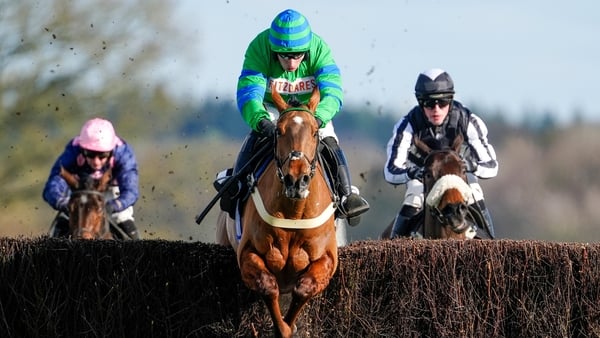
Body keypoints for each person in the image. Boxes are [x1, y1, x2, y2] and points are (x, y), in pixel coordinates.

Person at [218, 8, 369, 225]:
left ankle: (346, 194)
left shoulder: (319, 48)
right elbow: (249, 93)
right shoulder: (259, 47)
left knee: (328, 139)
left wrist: (318, 118)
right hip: (272, 106)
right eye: (284, 56)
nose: (290, 64)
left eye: (297, 56)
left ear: (306, 50)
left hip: (311, 109)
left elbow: (333, 92)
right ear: (273, 49)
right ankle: (237, 184)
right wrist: (261, 120)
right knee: (257, 135)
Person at [383, 68, 498, 238]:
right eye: (429, 104)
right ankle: (392, 250)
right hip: (424, 175)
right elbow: (391, 170)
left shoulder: (468, 120)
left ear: (451, 100)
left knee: (476, 193)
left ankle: (493, 249)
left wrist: (470, 166)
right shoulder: (406, 125)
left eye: (442, 102)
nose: (436, 109)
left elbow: (491, 165)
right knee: (413, 199)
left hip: (459, 174)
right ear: (420, 103)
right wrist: (412, 172)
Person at [43, 117, 141, 239]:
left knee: (123, 219)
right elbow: (53, 184)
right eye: (90, 154)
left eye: (102, 155)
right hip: (80, 189)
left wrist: (113, 206)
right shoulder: (73, 151)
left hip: (112, 189)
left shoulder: (123, 153)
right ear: (83, 150)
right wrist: (63, 203)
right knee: (62, 221)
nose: (96, 161)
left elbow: (131, 191)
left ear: (111, 152)